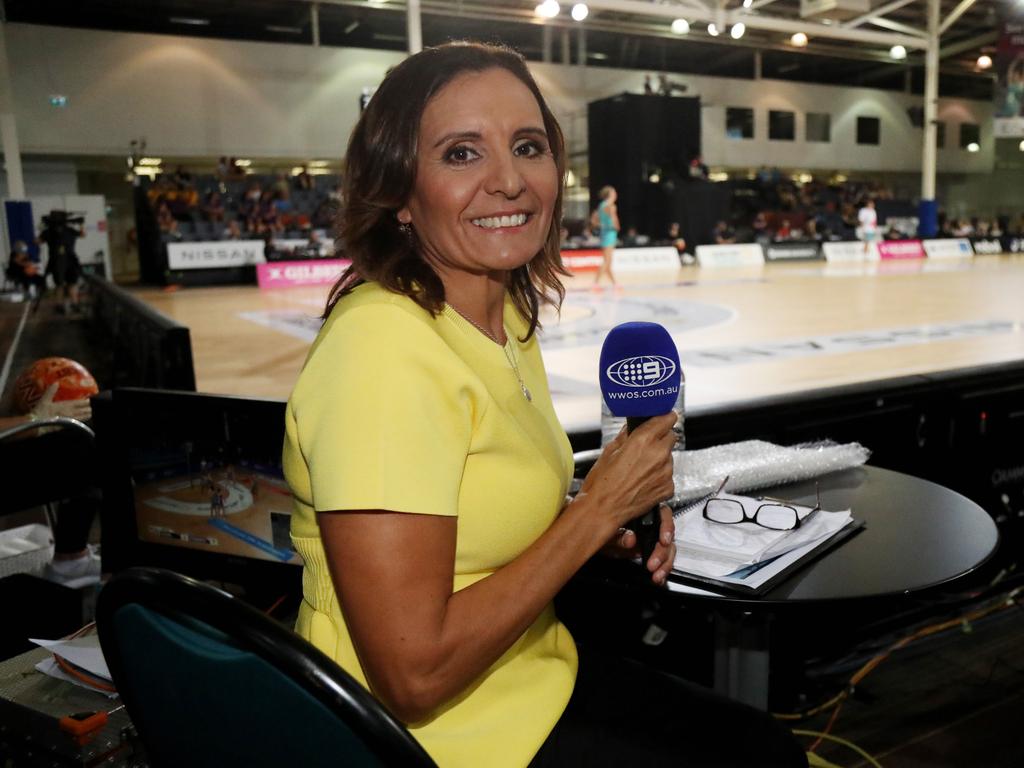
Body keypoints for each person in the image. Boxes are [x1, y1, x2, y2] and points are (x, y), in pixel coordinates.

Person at [282, 41, 806, 768]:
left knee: (757, 742)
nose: (508, 181)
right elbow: (413, 674)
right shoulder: (382, 352)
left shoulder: (501, 318)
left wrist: (577, 525)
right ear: (400, 192)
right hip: (428, 743)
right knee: (760, 753)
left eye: (527, 146)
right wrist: (591, 517)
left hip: (534, 677)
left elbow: (469, 514)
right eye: (462, 154)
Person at [36, 210, 84, 314]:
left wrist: (81, 224)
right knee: (61, 284)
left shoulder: (54, 231)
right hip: (59, 261)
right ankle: (62, 305)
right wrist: (81, 225)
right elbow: (37, 241)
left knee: (69, 283)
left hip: (67, 260)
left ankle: (71, 304)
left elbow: (37, 241)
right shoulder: (50, 231)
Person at [590, 185, 619, 288]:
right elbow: (615, 221)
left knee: (608, 261)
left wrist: (601, 225)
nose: (616, 194)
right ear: (610, 194)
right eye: (614, 192)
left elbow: (593, 220)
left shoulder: (601, 205)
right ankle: (596, 283)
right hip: (610, 233)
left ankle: (615, 283)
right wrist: (616, 227)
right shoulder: (611, 206)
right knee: (607, 261)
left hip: (604, 233)